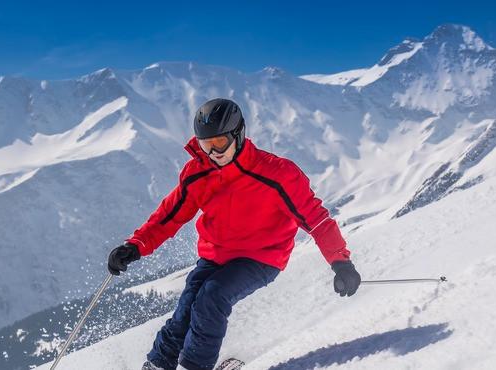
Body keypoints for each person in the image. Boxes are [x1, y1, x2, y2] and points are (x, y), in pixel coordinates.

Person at [107, 98, 361, 370]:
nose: (213, 153)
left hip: (261, 258)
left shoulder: (277, 174)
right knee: (187, 305)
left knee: (212, 297)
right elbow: (170, 214)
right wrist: (136, 245)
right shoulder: (198, 172)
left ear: (238, 134)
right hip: (216, 254)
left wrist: (341, 262)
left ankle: (194, 366)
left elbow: (316, 219)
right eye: (206, 145)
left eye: (219, 144)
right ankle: (159, 364)